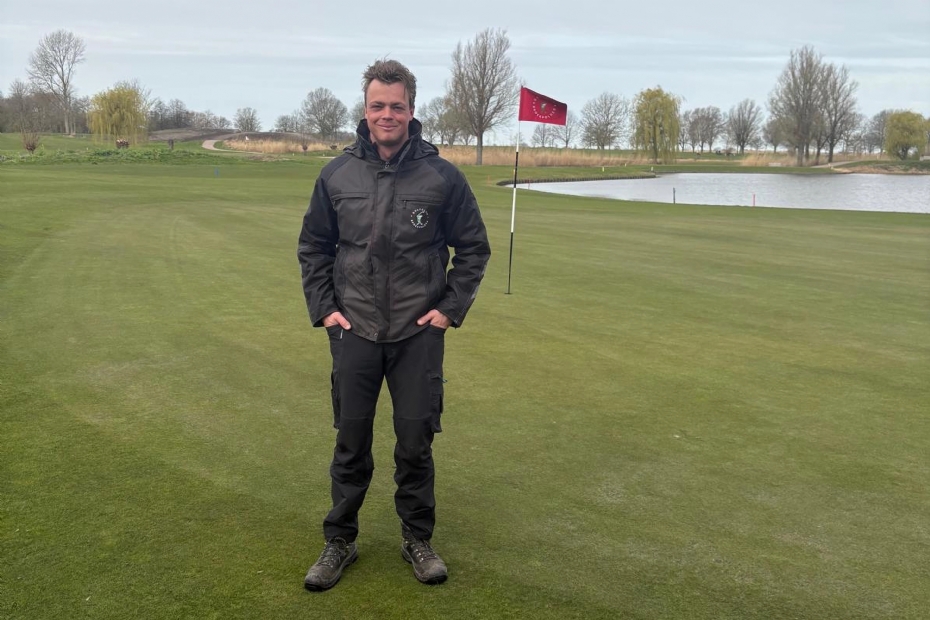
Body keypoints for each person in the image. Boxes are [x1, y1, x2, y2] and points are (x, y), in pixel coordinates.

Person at [297, 59, 491, 591]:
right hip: (353, 329)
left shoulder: (442, 176)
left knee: (415, 442)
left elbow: (473, 249)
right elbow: (314, 247)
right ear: (365, 110)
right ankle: (340, 540)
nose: (387, 114)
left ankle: (417, 539)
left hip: (417, 333)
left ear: (411, 110)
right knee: (351, 440)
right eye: (378, 105)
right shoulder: (336, 175)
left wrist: (449, 310)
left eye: (397, 106)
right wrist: (325, 309)